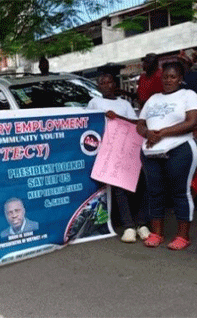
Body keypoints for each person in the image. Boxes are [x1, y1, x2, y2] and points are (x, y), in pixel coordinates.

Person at [137, 61, 197, 250]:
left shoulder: (188, 95)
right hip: (150, 151)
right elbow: (140, 124)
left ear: (180, 79)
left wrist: (160, 133)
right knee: (155, 192)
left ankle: (182, 236)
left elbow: (191, 122)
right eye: (165, 77)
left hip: (180, 149)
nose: (168, 80)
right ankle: (157, 233)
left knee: (180, 192)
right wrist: (148, 133)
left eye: (172, 77)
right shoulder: (153, 99)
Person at [86, 73, 150, 243]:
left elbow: (135, 124)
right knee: (118, 187)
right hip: (106, 152)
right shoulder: (94, 103)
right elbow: (89, 124)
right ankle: (129, 225)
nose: (106, 85)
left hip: (126, 149)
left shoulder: (124, 104)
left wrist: (118, 117)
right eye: (102, 82)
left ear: (115, 84)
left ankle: (141, 223)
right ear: (98, 87)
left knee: (137, 185)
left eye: (109, 82)